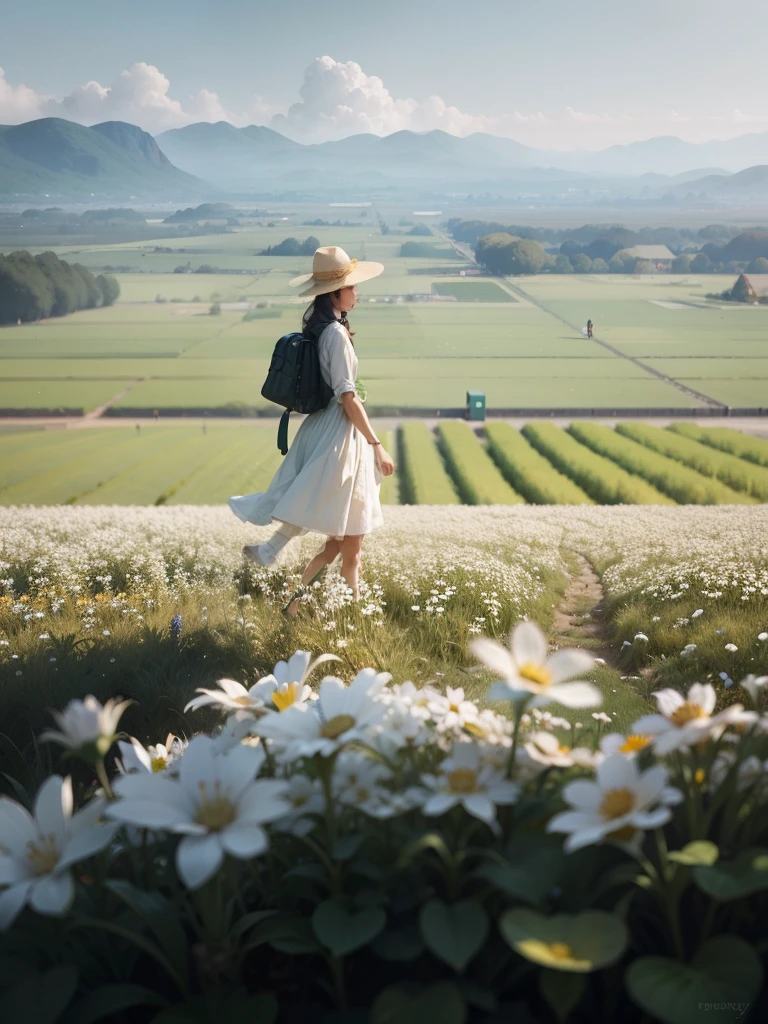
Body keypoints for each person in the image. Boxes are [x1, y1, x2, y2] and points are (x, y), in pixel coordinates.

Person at [228, 245, 396, 615]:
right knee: (336, 525)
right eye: (351, 287)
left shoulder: (328, 329)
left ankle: (285, 582)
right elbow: (348, 398)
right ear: (334, 293)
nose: (356, 293)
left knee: (338, 537)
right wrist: (377, 444)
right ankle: (346, 613)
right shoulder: (335, 334)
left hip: (329, 428)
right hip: (341, 432)